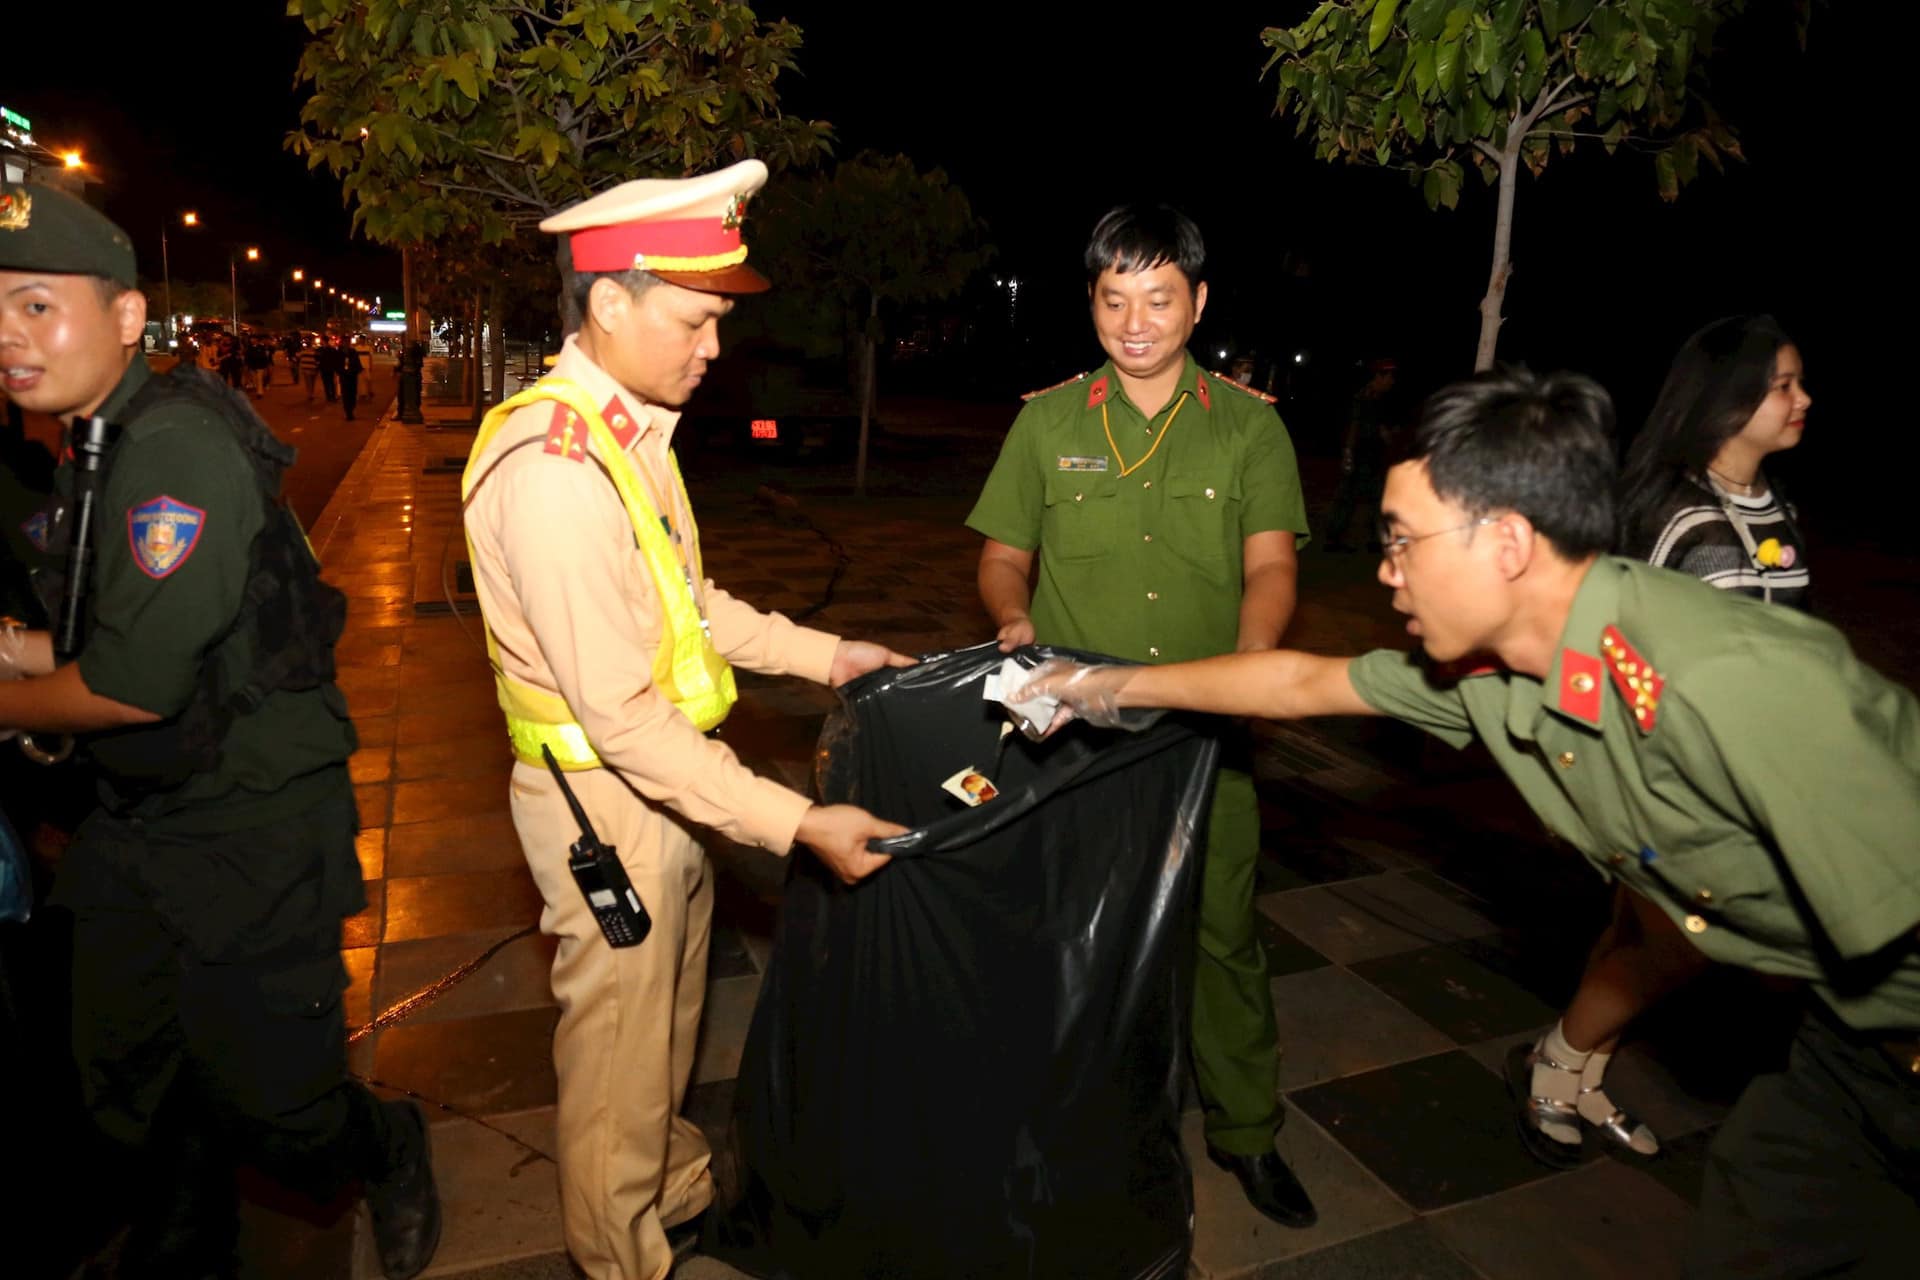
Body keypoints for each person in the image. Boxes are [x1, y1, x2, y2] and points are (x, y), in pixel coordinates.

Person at [1017, 367, 1920, 1278]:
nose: (1385, 570)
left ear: (1510, 542)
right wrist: (1087, 687)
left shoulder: (1724, 683)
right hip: (1843, 1055)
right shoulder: (1503, 671)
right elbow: (1297, 682)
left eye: (1403, 541)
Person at [460, 158, 914, 1280]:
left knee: (662, 1029)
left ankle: (677, 1191)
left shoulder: (623, 430)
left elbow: (684, 601)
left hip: (664, 785)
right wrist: (797, 821)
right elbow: (617, 714)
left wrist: (828, 655)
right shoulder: (556, 470)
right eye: (696, 318)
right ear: (610, 300)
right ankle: (624, 1258)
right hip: (608, 798)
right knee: (618, 1058)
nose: (713, 347)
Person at [0, 183, 440, 1279]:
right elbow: (112, 636)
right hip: (137, 820)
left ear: (129, 317)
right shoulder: (94, 445)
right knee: (122, 1064)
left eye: (39, 305)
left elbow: (132, 683)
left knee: (281, 1105)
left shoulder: (174, 451)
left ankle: (385, 1141)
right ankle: (187, 1230)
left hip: (251, 825)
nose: (10, 336)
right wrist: (20, 651)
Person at [965, 203, 1317, 1228]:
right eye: (1114, 299)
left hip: (1210, 733)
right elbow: (1000, 551)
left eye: (1158, 298)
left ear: (1197, 302)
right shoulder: (1049, 421)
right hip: (1075, 731)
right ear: (1092, 303)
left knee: (1222, 937)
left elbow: (1271, 563)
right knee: (1068, 937)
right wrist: (1011, 609)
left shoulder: (1250, 425)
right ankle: (1063, 1131)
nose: (1135, 321)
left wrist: (1253, 663)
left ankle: (1248, 1133)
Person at [1516, 315, 1817, 1168]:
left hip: (1741, 769)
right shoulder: (1680, 514)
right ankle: (1556, 1065)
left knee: (1636, 937)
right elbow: (1612, 646)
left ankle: (1579, 1077)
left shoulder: (1769, 506)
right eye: (1783, 384)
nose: (1803, 400)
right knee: (1681, 944)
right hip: (1670, 774)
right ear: (1729, 397)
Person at [1322, 356, 1400, 552]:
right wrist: (1348, 454)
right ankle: (1335, 539)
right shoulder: (1362, 399)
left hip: (1371, 456)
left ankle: (1372, 539)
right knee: (1349, 497)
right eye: (1388, 377)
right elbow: (1353, 428)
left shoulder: (1377, 400)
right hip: (1360, 456)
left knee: (1376, 498)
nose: (1391, 382)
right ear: (1378, 377)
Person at [338, 335, 364, 421]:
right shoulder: (339, 352)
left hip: (352, 376)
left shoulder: (353, 352)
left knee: (352, 394)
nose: (346, 344)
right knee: (345, 395)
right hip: (344, 377)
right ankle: (348, 412)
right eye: (345, 342)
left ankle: (351, 410)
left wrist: (356, 370)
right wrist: (341, 372)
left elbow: (357, 363)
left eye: (347, 342)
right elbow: (336, 364)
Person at [317, 334, 341, 402]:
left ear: (324, 341)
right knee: (328, 383)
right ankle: (330, 396)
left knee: (329, 383)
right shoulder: (323, 349)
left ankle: (331, 396)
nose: (321, 341)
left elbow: (335, 359)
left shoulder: (325, 349)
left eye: (322, 340)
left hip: (328, 368)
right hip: (326, 368)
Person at [296, 337, 320, 402]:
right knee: (308, 382)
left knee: (312, 382)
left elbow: (318, 358)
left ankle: (311, 393)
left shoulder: (315, 349)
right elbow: (297, 356)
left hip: (313, 368)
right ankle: (310, 394)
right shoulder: (303, 349)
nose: (307, 342)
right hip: (306, 368)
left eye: (308, 340)